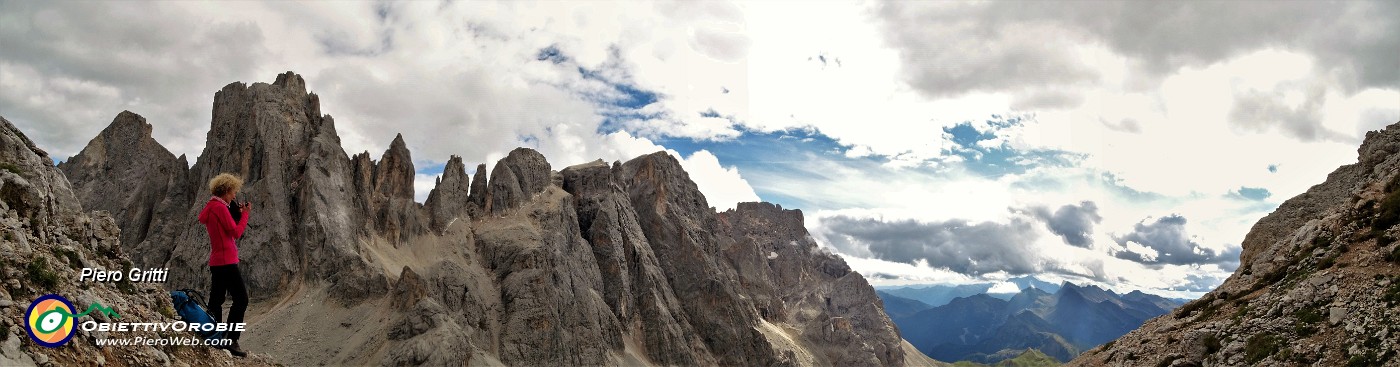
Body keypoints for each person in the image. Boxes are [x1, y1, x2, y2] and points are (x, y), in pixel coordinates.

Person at [198, 173, 251, 357]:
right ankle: (231, 339)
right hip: (227, 261)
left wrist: (235, 212)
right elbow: (235, 232)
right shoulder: (220, 208)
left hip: (216, 261)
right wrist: (244, 215)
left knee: (216, 301)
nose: (235, 196)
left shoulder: (211, 207)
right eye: (233, 192)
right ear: (226, 190)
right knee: (242, 299)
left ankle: (214, 337)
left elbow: (221, 227)